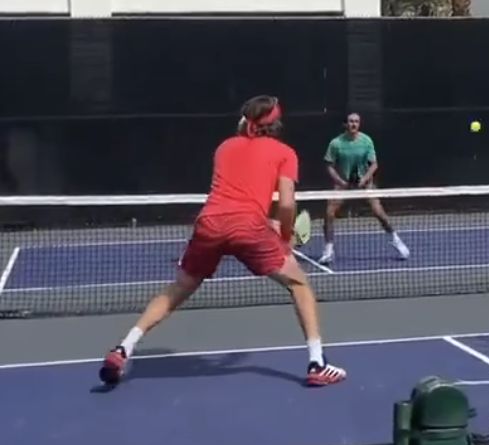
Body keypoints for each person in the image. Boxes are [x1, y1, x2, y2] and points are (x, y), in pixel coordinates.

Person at [98, 95, 346, 388]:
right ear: (276, 125)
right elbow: (288, 205)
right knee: (299, 285)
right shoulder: (285, 153)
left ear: (246, 120)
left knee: (179, 288)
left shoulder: (224, 148)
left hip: (210, 223)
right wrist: (284, 236)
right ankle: (317, 363)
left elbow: (236, 195)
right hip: (249, 228)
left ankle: (123, 348)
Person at [319, 112, 409, 265]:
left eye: (356, 121)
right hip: (343, 185)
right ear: (346, 124)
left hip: (365, 184)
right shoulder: (336, 143)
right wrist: (340, 181)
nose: (353, 124)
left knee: (379, 212)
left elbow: (374, 164)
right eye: (350, 121)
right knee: (329, 213)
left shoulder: (366, 141)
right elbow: (329, 166)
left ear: (359, 124)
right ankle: (328, 250)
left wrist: (365, 179)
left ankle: (396, 240)